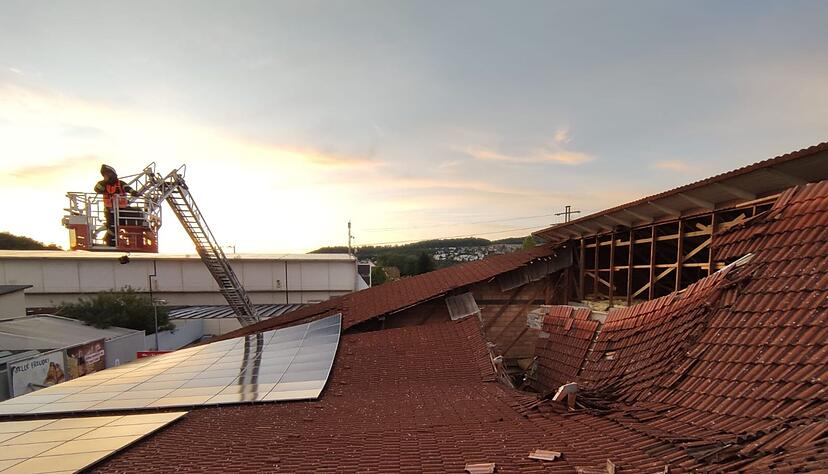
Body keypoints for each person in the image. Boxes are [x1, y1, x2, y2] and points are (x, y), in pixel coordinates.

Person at [94, 165, 139, 246]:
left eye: (108, 174)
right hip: (109, 210)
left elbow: (127, 188)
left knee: (120, 223)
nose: (106, 176)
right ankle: (110, 241)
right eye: (105, 174)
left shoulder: (120, 183)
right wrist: (105, 181)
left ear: (113, 174)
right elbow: (96, 189)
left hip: (122, 210)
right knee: (111, 226)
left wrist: (133, 192)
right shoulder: (102, 184)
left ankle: (111, 239)